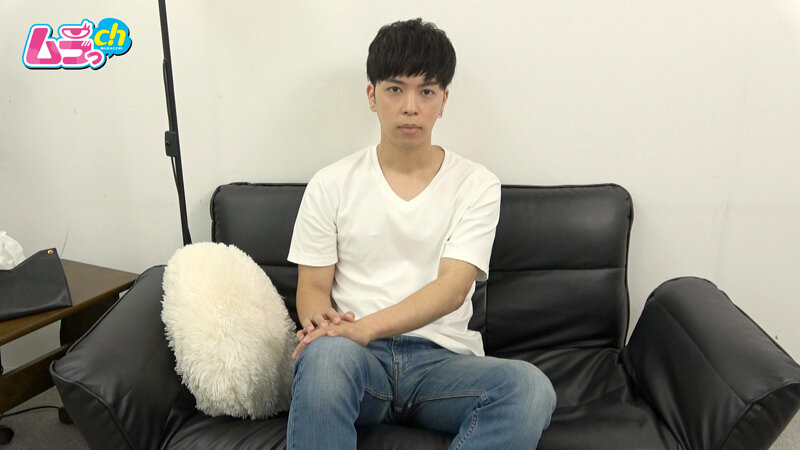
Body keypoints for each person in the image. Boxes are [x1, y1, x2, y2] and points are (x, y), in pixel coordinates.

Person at [286, 18, 556, 449]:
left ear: (444, 99)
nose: (410, 107)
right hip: (357, 361)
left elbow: (452, 289)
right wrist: (325, 326)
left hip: (443, 364)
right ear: (372, 96)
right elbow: (313, 288)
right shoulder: (330, 183)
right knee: (324, 356)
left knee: (530, 389)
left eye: (426, 91)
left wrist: (364, 328)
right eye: (395, 89)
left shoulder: (477, 184)